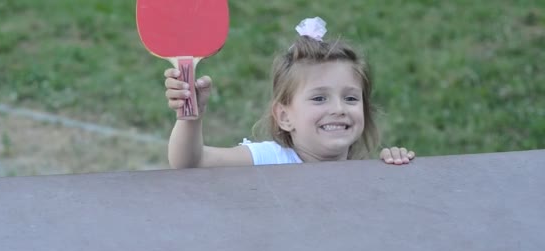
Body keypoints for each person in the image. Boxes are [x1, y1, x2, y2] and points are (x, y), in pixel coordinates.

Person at [164, 17, 415, 169]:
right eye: (319, 98)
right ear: (284, 116)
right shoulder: (269, 159)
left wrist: (392, 168)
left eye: (350, 98)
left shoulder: (365, 170)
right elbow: (191, 163)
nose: (339, 109)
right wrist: (191, 118)